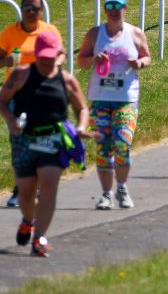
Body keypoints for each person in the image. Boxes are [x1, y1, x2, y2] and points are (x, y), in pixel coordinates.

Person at [0, 31, 92, 257]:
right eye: (42, 55)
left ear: (59, 54)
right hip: (24, 139)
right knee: (26, 191)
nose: (46, 60)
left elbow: (82, 108)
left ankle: (39, 237)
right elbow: (3, 100)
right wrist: (11, 119)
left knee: (49, 186)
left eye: (51, 56)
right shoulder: (21, 75)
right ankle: (28, 219)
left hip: (53, 138)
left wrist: (81, 127)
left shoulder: (67, 80)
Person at [77, 0, 151, 210]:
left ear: (125, 8)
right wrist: (93, 59)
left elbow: (148, 56)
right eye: (109, 6)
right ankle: (106, 194)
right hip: (100, 98)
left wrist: (140, 64)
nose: (113, 10)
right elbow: (81, 62)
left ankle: (122, 187)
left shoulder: (135, 33)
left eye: (117, 6)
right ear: (105, 9)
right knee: (103, 147)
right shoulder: (95, 34)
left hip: (126, 98)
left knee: (122, 143)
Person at [0, 0, 63, 209]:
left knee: (39, 140)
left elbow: (61, 54)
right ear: (21, 9)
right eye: (27, 7)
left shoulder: (49, 31)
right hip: (15, 93)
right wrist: (8, 60)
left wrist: (53, 65)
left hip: (42, 92)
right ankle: (20, 189)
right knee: (19, 141)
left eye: (35, 8)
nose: (31, 12)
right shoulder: (9, 33)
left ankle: (34, 186)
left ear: (42, 11)